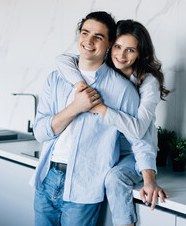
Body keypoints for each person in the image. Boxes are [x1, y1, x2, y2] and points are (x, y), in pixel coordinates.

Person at [32, 12, 153, 226]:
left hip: (85, 186)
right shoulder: (56, 78)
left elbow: (139, 140)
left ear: (109, 44)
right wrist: (76, 107)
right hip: (47, 178)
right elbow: (41, 133)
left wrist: (149, 180)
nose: (88, 41)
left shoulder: (123, 90)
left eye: (98, 36)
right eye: (85, 33)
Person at [56, 19, 170, 226]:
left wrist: (149, 180)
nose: (121, 55)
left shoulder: (147, 82)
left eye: (130, 50)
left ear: (140, 54)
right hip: (110, 149)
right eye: (117, 47)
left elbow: (138, 130)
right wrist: (81, 87)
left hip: (134, 155)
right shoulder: (106, 71)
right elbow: (62, 60)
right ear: (109, 46)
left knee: (114, 179)